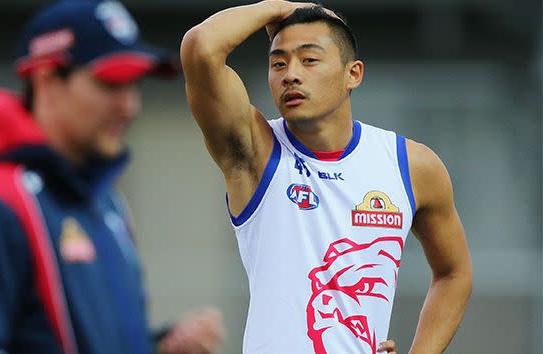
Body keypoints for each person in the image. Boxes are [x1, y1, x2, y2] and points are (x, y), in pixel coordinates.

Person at [0, 0, 224, 353]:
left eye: (135, 86)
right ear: (47, 80)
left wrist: (159, 347)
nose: (130, 107)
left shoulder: (105, 202)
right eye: (111, 84)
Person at [180, 1, 473, 353]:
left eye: (309, 59)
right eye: (278, 63)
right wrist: (283, 8)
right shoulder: (255, 152)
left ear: (354, 74)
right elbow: (201, 47)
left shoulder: (411, 165)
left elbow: (454, 274)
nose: (290, 74)